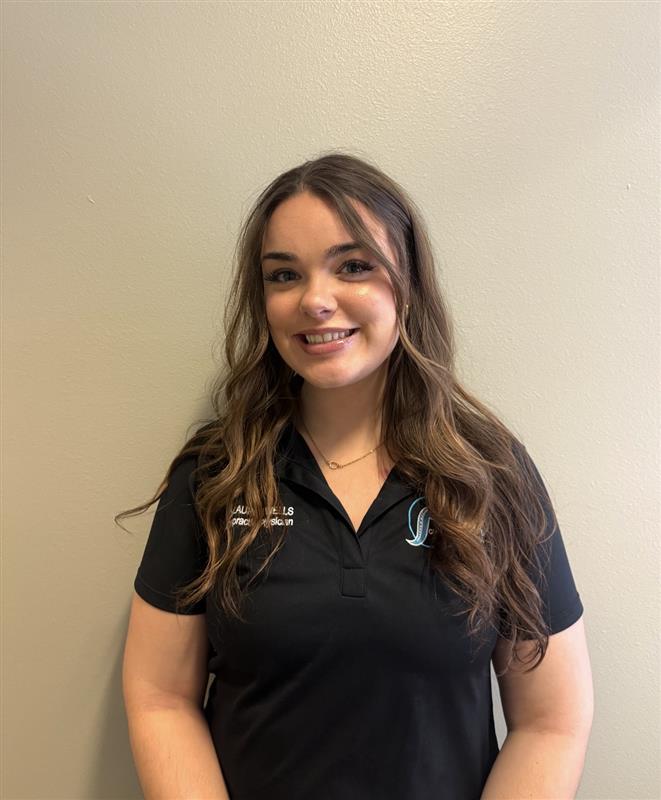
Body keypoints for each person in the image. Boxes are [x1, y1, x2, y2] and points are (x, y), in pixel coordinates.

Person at [118, 151, 593, 800]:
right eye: (284, 275)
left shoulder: (490, 474)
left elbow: (551, 721)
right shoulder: (215, 475)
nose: (315, 300)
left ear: (408, 283)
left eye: (353, 266)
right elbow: (160, 698)